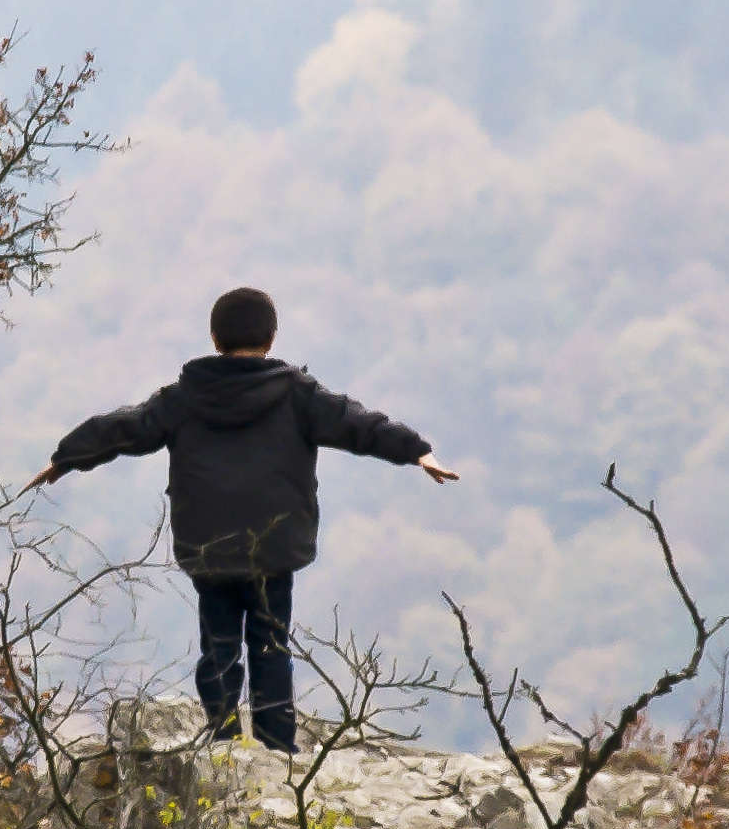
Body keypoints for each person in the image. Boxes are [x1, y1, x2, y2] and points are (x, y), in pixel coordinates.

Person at [24, 285, 457, 751]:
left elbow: (125, 427)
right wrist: (417, 451)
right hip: (274, 548)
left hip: (208, 547)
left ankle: (225, 739)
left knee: (219, 646)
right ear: (271, 338)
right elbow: (359, 424)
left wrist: (68, 456)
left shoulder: (184, 397)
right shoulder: (297, 395)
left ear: (215, 339)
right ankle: (277, 748)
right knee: (271, 644)